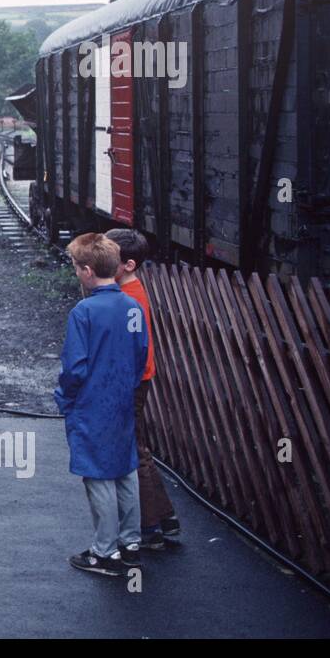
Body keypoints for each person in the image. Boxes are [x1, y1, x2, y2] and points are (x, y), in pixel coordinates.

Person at [54, 233, 148, 578]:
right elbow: (141, 354)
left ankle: (103, 552)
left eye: (77, 267)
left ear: (88, 271)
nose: (77, 272)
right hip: (122, 398)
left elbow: (75, 367)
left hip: (91, 402)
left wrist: (66, 397)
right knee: (125, 468)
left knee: (97, 474)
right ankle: (131, 543)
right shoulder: (133, 306)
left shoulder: (84, 312)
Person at [105, 228, 180, 548]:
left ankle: (148, 527)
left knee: (133, 450)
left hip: (130, 382)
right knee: (139, 447)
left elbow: (126, 350)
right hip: (136, 379)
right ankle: (164, 518)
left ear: (130, 264)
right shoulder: (131, 292)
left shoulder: (128, 299)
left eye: (111, 260)